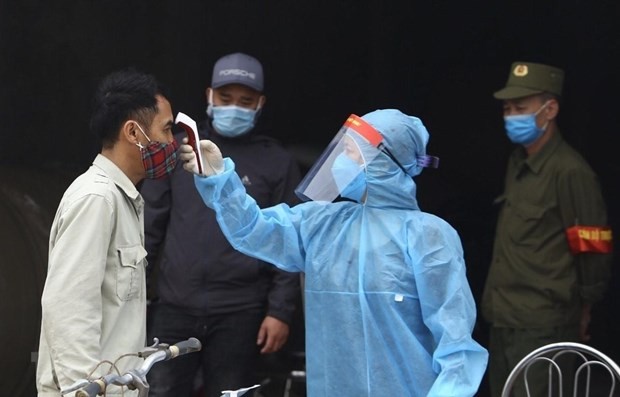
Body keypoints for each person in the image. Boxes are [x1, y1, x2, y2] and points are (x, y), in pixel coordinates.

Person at [178, 109, 489, 396]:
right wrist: (218, 178)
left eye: (351, 151)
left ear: (383, 161)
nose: (341, 159)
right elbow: (254, 230)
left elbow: (457, 347)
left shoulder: (429, 236)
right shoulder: (323, 222)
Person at [140, 52, 301, 397]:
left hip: (241, 313)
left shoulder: (276, 161)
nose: (235, 107)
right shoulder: (180, 151)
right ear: (209, 95)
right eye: (226, 98)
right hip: (175, 308)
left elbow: (290, 240)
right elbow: (149, 227)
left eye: (246, 101)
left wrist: (280, 311)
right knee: (161, 391)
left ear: (261, 103)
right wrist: (131, 296)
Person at [36, 68, 177, 396]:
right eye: (167, 130)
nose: (173, 143)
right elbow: (68, 307)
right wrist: (82, 390)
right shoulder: (97, 199)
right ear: (133, 132)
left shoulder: (124, 199)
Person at [481, 61, 613, 396]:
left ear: (550, 109)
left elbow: (592, 248)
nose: (511, 116)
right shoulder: (518, 162)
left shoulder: (570, 171)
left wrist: (586, 307)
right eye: (507, 109)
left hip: (544, 323)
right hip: (504, 317)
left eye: (520, 108)